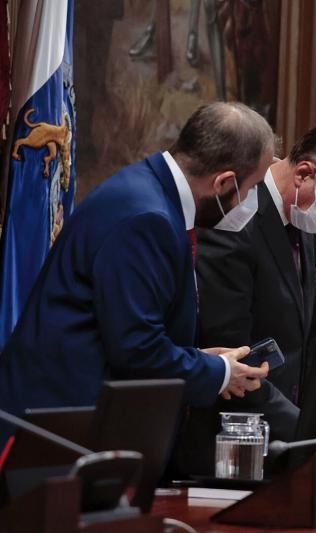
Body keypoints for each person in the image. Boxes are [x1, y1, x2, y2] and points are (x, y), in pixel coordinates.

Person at [0, 102, 274, 442]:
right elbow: (136, 349)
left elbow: (126, 327)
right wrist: (217, 373)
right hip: (53, 436)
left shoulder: (150, 196)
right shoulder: (147, 219)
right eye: (252, 188)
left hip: (75, 425)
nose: (249, 200)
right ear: (223, 183)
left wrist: (196, 359)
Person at [174, 116, 316, 475]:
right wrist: (311, 434)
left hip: (287, 445)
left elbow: (312, 336)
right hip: (229, 445)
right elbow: (232, 351)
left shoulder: (304, 217)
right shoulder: (236, 218)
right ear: (305, 173)